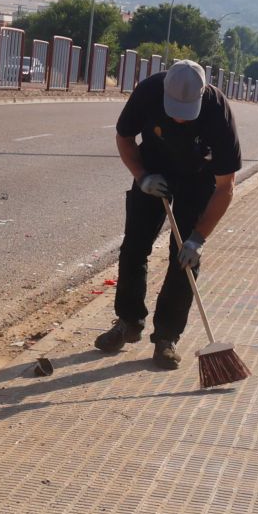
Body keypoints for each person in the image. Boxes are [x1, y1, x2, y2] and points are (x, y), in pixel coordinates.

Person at [95, 59, 241, 370]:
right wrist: (142, 176)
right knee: (134, 248)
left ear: (202, 95)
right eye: (174, 109)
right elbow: (124, 137)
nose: (179, 118)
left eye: (186, 112)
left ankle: (166, 337)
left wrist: (198, 239)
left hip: (197, 179)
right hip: (153, 171)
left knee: (185, 259)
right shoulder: (148, 92)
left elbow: (226, 187)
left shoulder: (218, 113)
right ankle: (128, 322)